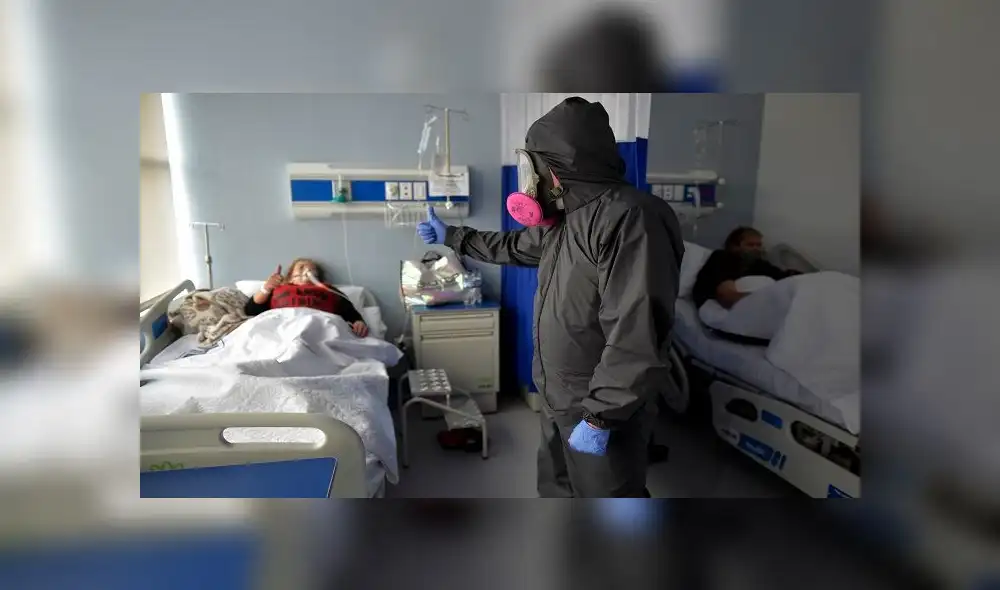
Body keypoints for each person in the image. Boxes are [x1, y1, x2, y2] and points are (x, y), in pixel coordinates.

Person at [416, 97, 683, 498]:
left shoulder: (632, 218)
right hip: (558, 392)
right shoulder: (565, 219)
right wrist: (455, 237)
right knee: (557, 490)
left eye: (534, 169)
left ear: (555, 171)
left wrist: (600, 416)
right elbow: (515, 246)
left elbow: (636, 331)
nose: (531, 181)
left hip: (601, 405)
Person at [244, 257, 369, 337]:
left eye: (311, 269)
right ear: (291, 276)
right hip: (283, 330)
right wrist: (266, 288)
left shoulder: (329, 290)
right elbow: (251, 311)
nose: (307, 269)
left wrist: (358, 323)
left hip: (322, 329)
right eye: (301, 267)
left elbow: (350, 313)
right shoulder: (278, 289)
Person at [691, 227, 801, 310]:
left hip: (750, 306)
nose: (756, 249)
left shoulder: (758, 264)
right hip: (715, 305)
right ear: (734, 246)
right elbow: (726, 296)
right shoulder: (722, 258)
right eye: (750, 245)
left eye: (758, 245)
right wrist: (768, 300)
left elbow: (783, 277)